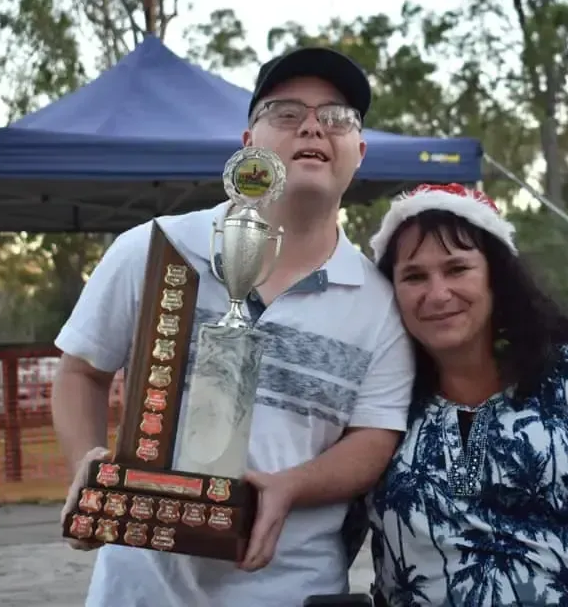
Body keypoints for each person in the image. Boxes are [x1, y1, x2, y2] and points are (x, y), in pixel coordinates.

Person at [50, 47, 415, 607]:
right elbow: (81, 370)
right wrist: (88, 464)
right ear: (248, 145)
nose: (313, 126)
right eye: (287, 113)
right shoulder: (155, 248)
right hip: (137, 589)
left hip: (292, 590)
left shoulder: (380, 303)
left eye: (336, 117)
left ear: (358, 152)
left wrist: (292, 486)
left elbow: (375, 436)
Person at [363, 183, 568, 606]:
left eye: (457, 269)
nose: (437, 293)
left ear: (496, 279)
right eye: (414, 276)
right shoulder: (383, 403)